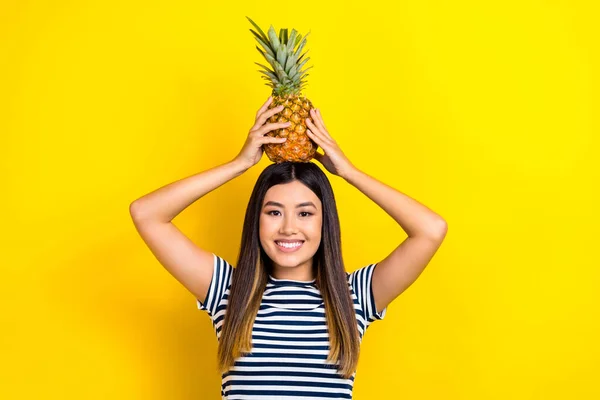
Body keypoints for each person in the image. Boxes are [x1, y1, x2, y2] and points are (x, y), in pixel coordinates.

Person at [129, 96, 448, 399]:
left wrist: (349, 173)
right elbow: (147, 214)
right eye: (274, 211)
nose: (289, 227)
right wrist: (239, 164)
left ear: (326, 223)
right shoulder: (228, 290)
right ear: (257, 218)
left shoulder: (354, 297)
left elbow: (431, 230)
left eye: (305, 213)